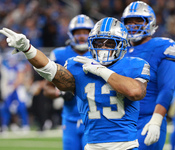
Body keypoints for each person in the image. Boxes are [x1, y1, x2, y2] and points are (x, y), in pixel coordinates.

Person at [0, 17, 150, 150]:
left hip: (125, 145)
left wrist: (101, 70)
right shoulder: (79, 66)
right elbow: (50, 70)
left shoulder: (134, 64)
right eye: (99, 42)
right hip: (92, 145)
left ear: (122, 44)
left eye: (110, 43)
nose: (103, 47)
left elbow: (135, 92)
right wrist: (28, 49)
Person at [121, 1, 175, 150]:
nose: (133, 25)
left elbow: (167, 88)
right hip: (121, 121)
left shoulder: (162, 47)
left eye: (138, 20)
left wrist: (156, 120)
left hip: (148, 119)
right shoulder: (120, 50)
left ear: (150, 22)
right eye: (129, 22)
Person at [43, 14, 94, 150]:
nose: (82, 36)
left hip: (94, 120)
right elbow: (47, 88)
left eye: (85, 32)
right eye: (78, 32)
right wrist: (59, 93)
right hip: (70, 118)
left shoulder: (99, 55)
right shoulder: (59, 55)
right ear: (71, 34)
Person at [0, 51, 30, 132]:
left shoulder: (19, 66)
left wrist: (13, 86)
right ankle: (4, 126)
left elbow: (20, 78)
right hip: (9, 88)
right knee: (6, 107)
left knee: (21, 107)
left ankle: (25, 125)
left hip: (18, 89)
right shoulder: (6, 67)